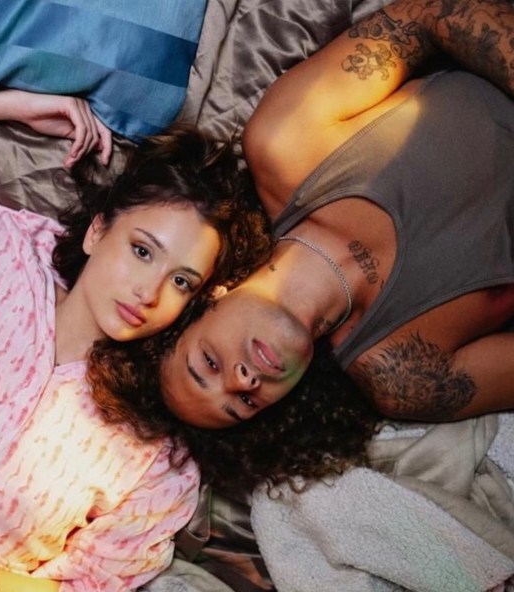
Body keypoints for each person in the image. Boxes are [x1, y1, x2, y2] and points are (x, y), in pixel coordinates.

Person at [0, 88, 272, 590]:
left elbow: (90, 584)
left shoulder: (155, 452)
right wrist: (8, 104)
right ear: (98, 232)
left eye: (181, 281)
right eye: (142, 251)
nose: (149, 292)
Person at [153, 0, 514, 490]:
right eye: (243, 404)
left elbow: (437, 13)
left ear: (206, 296)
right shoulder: (405, 376)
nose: (242, 381)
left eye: (209, 364)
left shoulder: (284, 142)